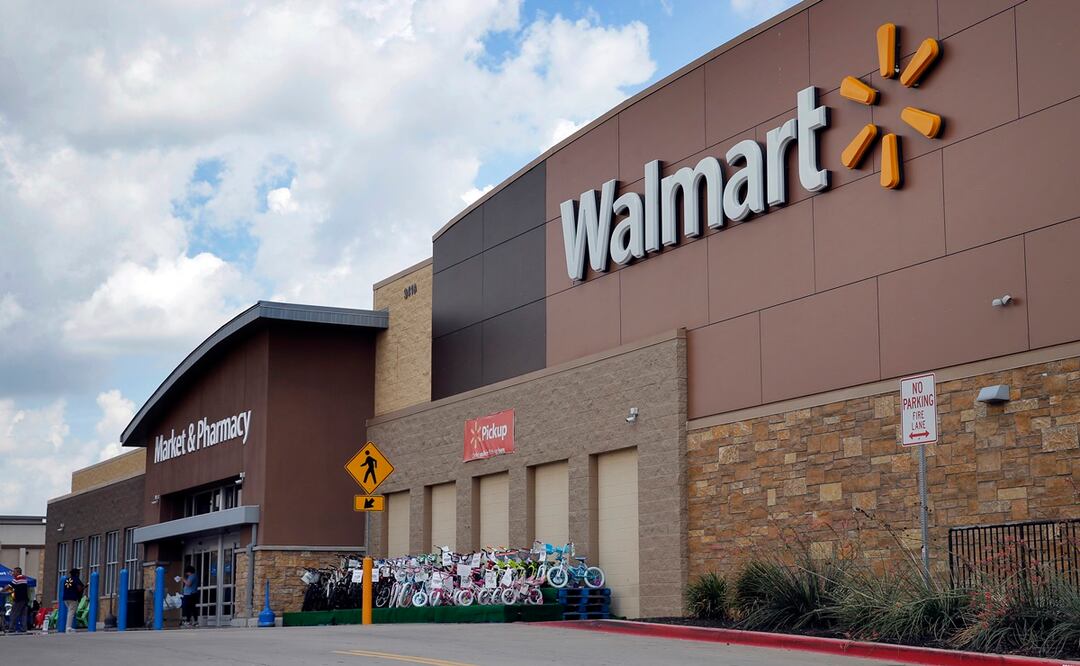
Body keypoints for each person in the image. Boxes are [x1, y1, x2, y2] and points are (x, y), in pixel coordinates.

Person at [7, 567, 30, 633]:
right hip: (25, 599)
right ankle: (23, 628)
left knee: (13, 613)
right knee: (23, 614)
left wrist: (2, 590)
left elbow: (10, 586)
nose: (13, 573)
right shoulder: (24, 578)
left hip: (18, 599)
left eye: (14, 572)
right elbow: (18, 588)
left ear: (18, 572)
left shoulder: (18, 578)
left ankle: (11, 628)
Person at [62, 568, 85, 632]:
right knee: (71, 612)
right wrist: (83, 588)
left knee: (70, 611)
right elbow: (79, 588)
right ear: (77, 574)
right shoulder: (76, 579)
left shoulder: (67, 580)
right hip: (73, 598)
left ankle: (68, 626)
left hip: (65, 598)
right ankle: (68, 627)